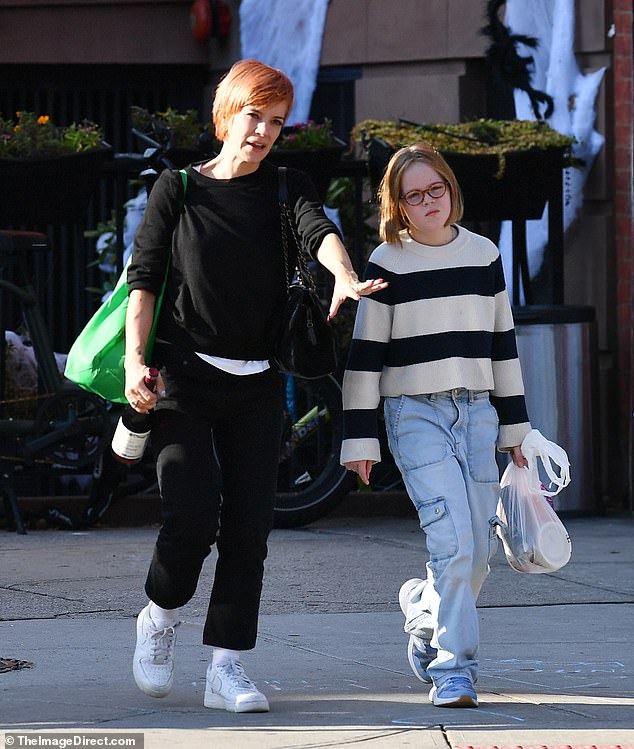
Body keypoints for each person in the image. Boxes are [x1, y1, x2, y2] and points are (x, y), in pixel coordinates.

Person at [125, 58, 386, 713]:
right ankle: (159, 614)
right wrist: (134, 362)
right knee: (189, 515)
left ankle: (226, 667)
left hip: (258, 385)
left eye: (275, 121)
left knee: (249, 530)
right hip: (184, 379)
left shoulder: (284, 187)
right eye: (253, 115)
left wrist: (345, 275)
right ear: (226, 113)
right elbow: (144, 282)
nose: (263, 131)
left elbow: (318, 231)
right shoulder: (177, 190)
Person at [340, 143, 531, 709]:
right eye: (414, 195)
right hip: (414, 414)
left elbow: (503, 346)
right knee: (452, 541)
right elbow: (365, 356)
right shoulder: (387, 262)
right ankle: (455, 669)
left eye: (436, 190)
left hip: (477, 413)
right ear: (397, 205)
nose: (428, 202)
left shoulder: (484, 254)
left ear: (451, 189)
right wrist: (360, 437)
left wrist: (515, 431)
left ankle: (424, 609)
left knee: (477, 555)